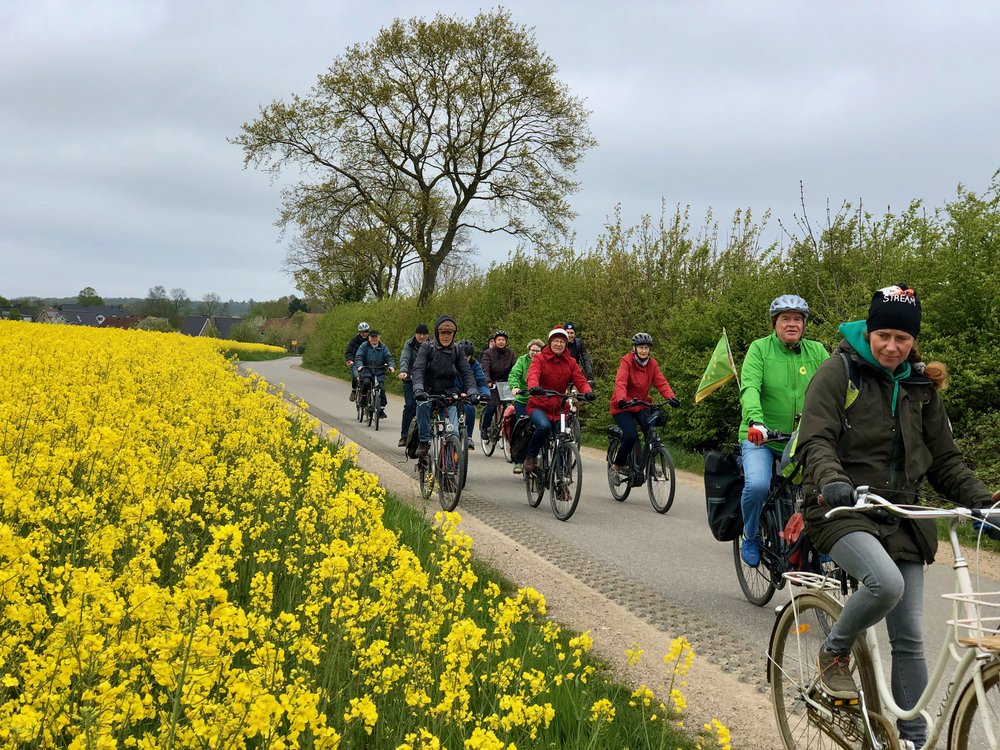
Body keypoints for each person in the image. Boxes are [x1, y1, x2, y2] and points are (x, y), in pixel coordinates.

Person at [797, 283, 994, 748]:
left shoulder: (920, 386)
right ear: (868, 331)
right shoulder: (837, 372)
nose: (891, 346)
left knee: (909, 637)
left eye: (901, 339)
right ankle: (834, 651)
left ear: (913, 341)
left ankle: (912, 739)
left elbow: (945, 459)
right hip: (840, 505)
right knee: (885, 584)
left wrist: (984, 501)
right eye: (883, 334)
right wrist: (830, 479)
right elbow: (816, 440)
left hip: (900, 511)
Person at [738, 295, 829, 568]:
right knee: (757, 485)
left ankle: (822, 539)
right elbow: (750, 387)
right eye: (785, 319)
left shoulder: (817, 352)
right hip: (762, 437)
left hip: (802, 438)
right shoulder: (760, 349)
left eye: (797, 319)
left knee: (828, 485)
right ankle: (750, 534)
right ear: (775, 323)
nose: (792, 324)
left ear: (804, 324)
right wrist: (755, 421)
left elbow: (835, 387)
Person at [523, 327, 595, 474]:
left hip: (560, 407)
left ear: (566, 344)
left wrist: (588, 392)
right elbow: (533, 374)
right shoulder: (540, 359)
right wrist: (534, 386)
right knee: (543, 427)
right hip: (539, 404)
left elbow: (580, 380)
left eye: (562, 341)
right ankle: (531, 456)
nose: (558, 344)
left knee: (564, 437)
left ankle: (562, 476)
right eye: (555, 341)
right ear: (550, 343)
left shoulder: (571, 362)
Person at [609, 332, 680, 476]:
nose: (644, 350)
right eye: (641, 347)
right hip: (623, 405)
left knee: (650, 432)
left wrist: (671, 397)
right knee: (631, 436)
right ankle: (617, 466)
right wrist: (621, 399)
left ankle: (650, 466)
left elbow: (661, 382)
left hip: (641, 404)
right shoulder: (627, 361)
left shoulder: (652, 364)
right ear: (634, 348)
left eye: (646, 348)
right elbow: (621, 381)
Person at [412, 315, 478, 458]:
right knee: (422, 406)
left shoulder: (457, 350)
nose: (446, 337)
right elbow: (418, 369)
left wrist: (472, 391)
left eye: (449, 333)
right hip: (428, 393)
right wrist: (418, 388)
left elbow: (466, 373)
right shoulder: (426, 347)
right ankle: (424, 441)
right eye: (443, 333)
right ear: (437, 333)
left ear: (454, 334)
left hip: (448, 395)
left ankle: (449, 469)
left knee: (453, 432)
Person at [508, 339, 544, 474]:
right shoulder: (522, 361)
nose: (535, 353)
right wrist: (515, 387)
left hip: (539, 400)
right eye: (532, 350)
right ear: (529, 350)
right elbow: (514, 374)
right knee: (522, 428)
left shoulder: (543, 362)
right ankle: (518, 461)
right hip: (523, 399)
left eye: (537, 351)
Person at [480, 329, 516, 442]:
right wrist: (488, 381)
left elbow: (515, 369)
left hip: (506, 383)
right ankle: (485, 428)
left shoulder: (510, 353)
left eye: (503, 340)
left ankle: (510, 431)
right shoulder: (488, 353)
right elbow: (485, 368)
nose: (501, 342)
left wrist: (515, 382)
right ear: (495, 341)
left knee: (510, 408)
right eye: (499, 339)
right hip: (493, 383)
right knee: (491, 406)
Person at [397, 323, 429, 447]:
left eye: (424, 334)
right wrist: (404, 371)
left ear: (428, 335)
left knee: (426, 406)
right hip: (410, 379)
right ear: (415, 334)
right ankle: (404, 436)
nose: (421, 337)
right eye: (419, 334)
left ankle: (426, 437)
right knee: (410, 405)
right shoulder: (409, 344)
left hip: (426, 381)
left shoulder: (431, 345)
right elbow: (405, 357)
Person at [457, 339, 491, 450]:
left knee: (470, 409)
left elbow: (481, 380)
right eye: (463, 356)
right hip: (453, 393)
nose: (465, 359)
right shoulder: (451, 363)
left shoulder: (475, 365)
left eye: (468, 356)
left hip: (468, 393)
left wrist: (485, 394)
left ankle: (469, 437)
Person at [353, 330, 395, 418]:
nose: (374, 339)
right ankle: (363, 399)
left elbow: (389, 357)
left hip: (379, 371)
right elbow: (359, 357)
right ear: (369, 338)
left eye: (376, 337)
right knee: (366, 383)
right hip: (367, 370)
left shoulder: (383, 347)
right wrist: (360, 365)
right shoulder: (364, 346)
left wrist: (391, 366)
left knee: (382, 389)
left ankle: (381, 410)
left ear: (379, 338)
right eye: (372, 337)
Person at [344, 321, 371, 402]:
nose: (364, 333)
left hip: (368, 363)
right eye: (362, 332)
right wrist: (350, 360)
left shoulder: (372, 339)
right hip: (356, 362)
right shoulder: (354, 340)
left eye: (366, 331)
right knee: (356, 376)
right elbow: (349, 352)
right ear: (359, 332)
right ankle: (354, 391)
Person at [564, 321, 595, 387]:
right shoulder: (559, 343)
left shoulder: (579, 343)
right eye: (567, 333)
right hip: (561, 375)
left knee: (577, 395)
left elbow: (585, 360)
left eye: (572, 333)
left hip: (574, 375)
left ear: (575, 334)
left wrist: (590, 377)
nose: (569, 335)